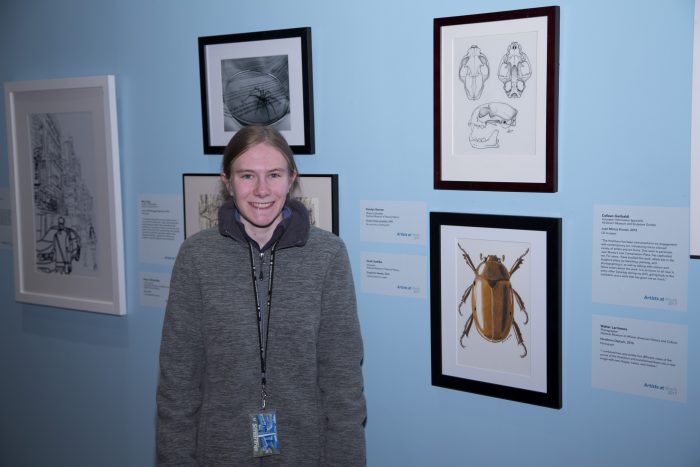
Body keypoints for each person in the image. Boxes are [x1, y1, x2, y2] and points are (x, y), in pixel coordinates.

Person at [156, 125, 366, 466]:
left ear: (291, 178)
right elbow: (178, 382)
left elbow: (343, 381)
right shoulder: (196, 257)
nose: (262, 190)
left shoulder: (328, 255)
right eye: (247, 176)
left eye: (274, 174)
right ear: (227, 181)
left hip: (306, 452)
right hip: (219, 451)